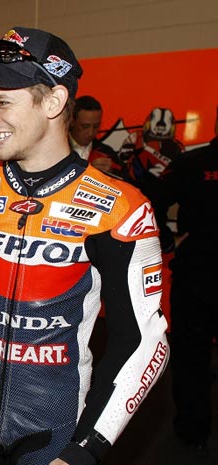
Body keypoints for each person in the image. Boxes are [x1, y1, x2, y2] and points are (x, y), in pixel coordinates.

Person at [0, 27, 169, 465]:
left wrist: (84, 452)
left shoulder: (120, 209)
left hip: (57, 436)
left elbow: (144, 341)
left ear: (53, 102)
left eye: (2, 102)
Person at [153, 107, 218, 457]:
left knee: (191, 360)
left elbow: (155, 204)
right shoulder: (192, 163)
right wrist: (167, 242)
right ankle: (192, 432)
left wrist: (167, 241)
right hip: (196, 275)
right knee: (191, 359)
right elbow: (154, 204)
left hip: (195, 276)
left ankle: (193, 431)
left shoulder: (192, 163)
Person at [68, 96, 121, 176]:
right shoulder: (58, 150)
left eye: (96, 126)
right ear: (72, 122)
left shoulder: (106, 153)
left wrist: (112, 173)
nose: (91, 132)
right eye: (85, 126)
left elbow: (128, 182)